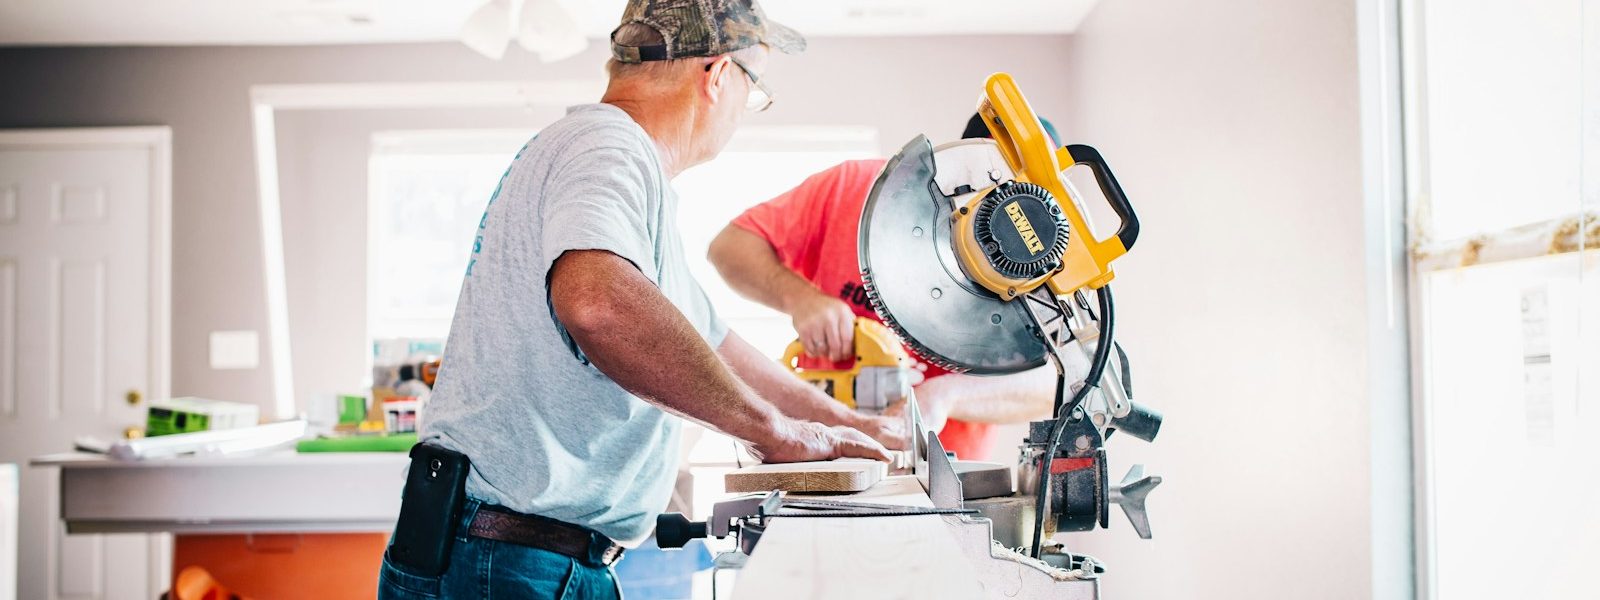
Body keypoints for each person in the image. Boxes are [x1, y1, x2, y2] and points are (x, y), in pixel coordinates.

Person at [379, 2, 906, 598]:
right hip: (506, 559)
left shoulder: (616, 168)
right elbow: (598, 305)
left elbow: (717, 346)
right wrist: (774, 432)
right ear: (718, 76)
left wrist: (843, 425)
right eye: (753, 89)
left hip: (520, 553)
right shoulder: (608, 145)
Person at [707, 114, 1065, 461]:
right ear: (959, 157)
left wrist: (946, 395)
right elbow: (729, 247)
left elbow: (1058, 384)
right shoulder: (854, 188)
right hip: (820, 449)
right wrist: (800, 298)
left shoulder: (1039, 266)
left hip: (943, 474)